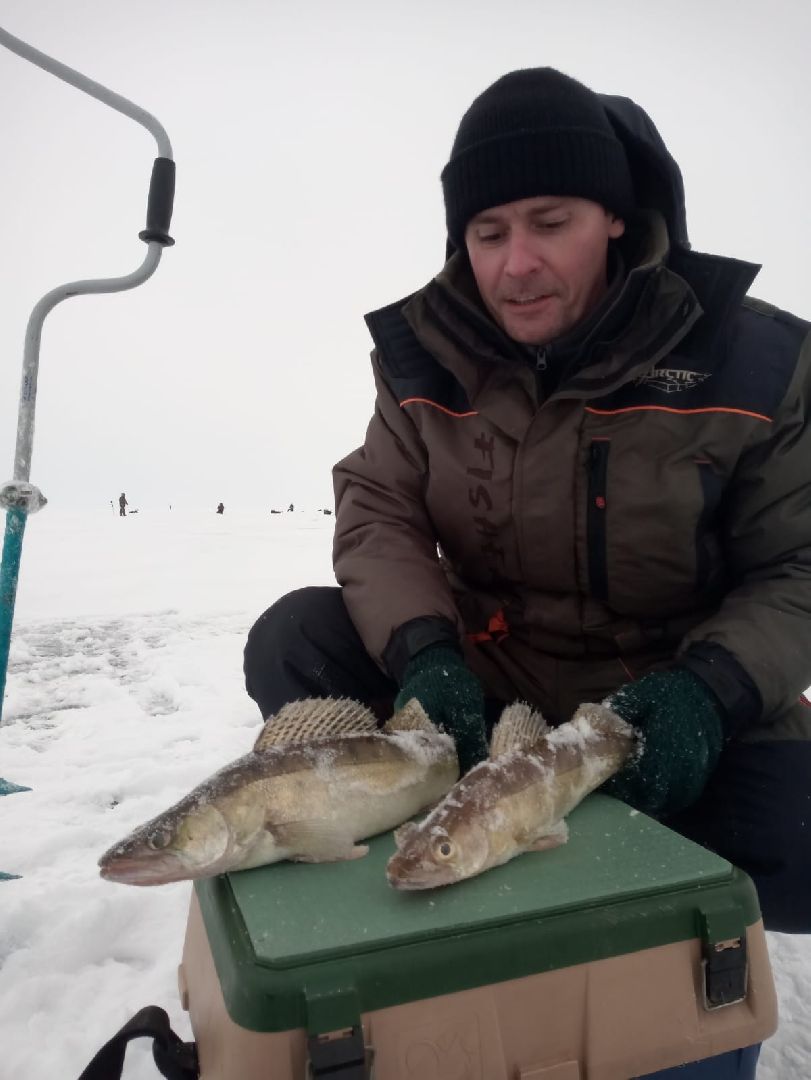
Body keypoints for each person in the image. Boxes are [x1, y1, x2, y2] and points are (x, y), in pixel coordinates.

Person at [244, 68, 811, 933]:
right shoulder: (419, 360)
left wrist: (710, 691)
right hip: (489, 675)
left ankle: (635, 870)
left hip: (663, 687)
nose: (516, 264)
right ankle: (438, 837)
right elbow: (379, 509)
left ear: (615, 218)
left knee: (799, 850)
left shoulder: (754, 359)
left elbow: (796, 564)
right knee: (298, 637)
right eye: (488, 231)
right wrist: (424, 652)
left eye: (552, 224)